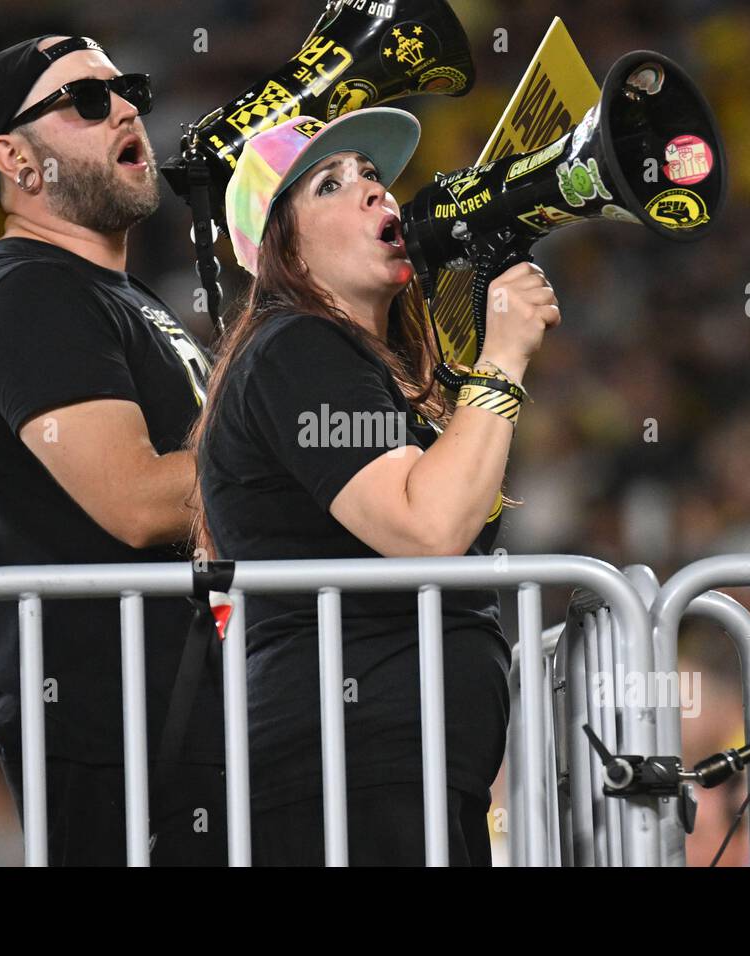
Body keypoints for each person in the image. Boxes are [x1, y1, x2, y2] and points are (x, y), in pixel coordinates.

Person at [190, 108, 561, 865]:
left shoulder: (371, 369)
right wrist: (503, 362)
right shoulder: (295, 349)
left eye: (373, 176)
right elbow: (428, 529)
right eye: (330, 185)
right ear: (281, 251)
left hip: (398, 766)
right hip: (346, 764)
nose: (373, 193)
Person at [0, 34, 223, 865]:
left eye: (126, 87)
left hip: (174, 722)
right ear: (14, 159)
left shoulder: (114, 296)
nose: (126, 106)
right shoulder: (30, 291)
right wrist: (297, 454)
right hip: (121, 736)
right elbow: (137, 503)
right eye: (87, 101)